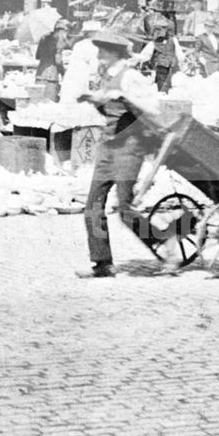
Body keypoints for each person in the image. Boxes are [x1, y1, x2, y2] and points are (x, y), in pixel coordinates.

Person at [76, 29, 161, 279]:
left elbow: (153, 109)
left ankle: (164, 244)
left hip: (129, 147)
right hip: (108, 146)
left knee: (125, 209)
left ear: (114, 52)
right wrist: (94, 99)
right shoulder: (107, 75)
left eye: (103, 49)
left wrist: (125, 96)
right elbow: (109, 109)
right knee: (92, 205)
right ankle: (102, 263)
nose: (99, 53)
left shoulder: (131, 76)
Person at [59, 20, 102, 103]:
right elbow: (94, 68)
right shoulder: (93, 47)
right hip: (82, 80)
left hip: (70, 78)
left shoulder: (79, 44)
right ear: (93, 33)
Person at [137, 18, 185, 92]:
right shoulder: (153, 43)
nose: (161, 31)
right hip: (160, 71)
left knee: (177, 87)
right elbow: (145, 56)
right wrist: (133, 56)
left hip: (173, 70)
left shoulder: (173, 40)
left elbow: (180, 55)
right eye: (158, 29)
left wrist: (180, 64)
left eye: (163, 29)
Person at [35, 18, 68, 100]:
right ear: (61, 30)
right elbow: (58, 61)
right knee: (49, 105)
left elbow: (37, 56)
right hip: (51, 77)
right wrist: (63, 72)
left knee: (38, 103)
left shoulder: (43, 38)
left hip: (40, 75)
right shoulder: (59, 40)